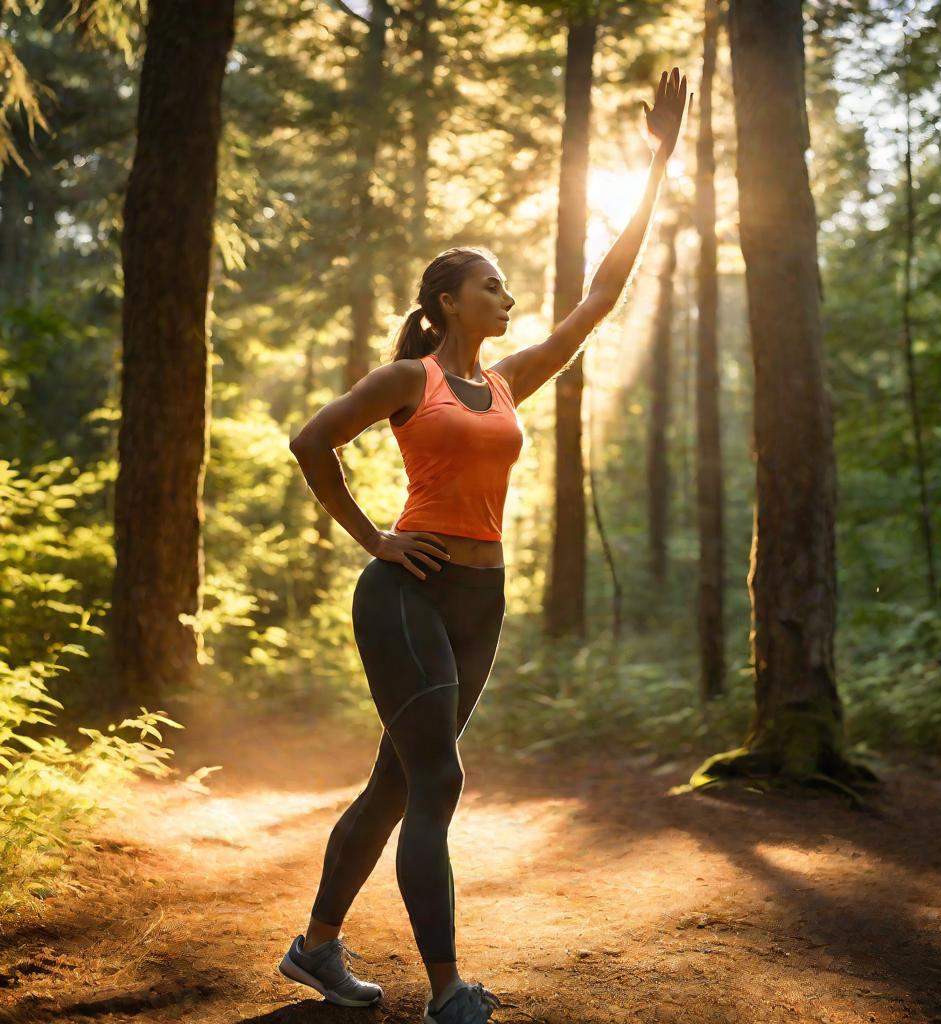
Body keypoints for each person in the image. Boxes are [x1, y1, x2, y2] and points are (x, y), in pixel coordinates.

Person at [280, 67, 691, 1024]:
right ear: (448, 303)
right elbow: (310, 443)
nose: (508, 296)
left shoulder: (507, 383)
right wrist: (374, 537)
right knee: (438, 777)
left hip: (482, 600)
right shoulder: (406, 379)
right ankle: (447, 990)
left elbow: (602, 294)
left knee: (398, 778)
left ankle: (316, 949)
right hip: (408, 591)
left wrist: (658, 161)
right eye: (491, 286)